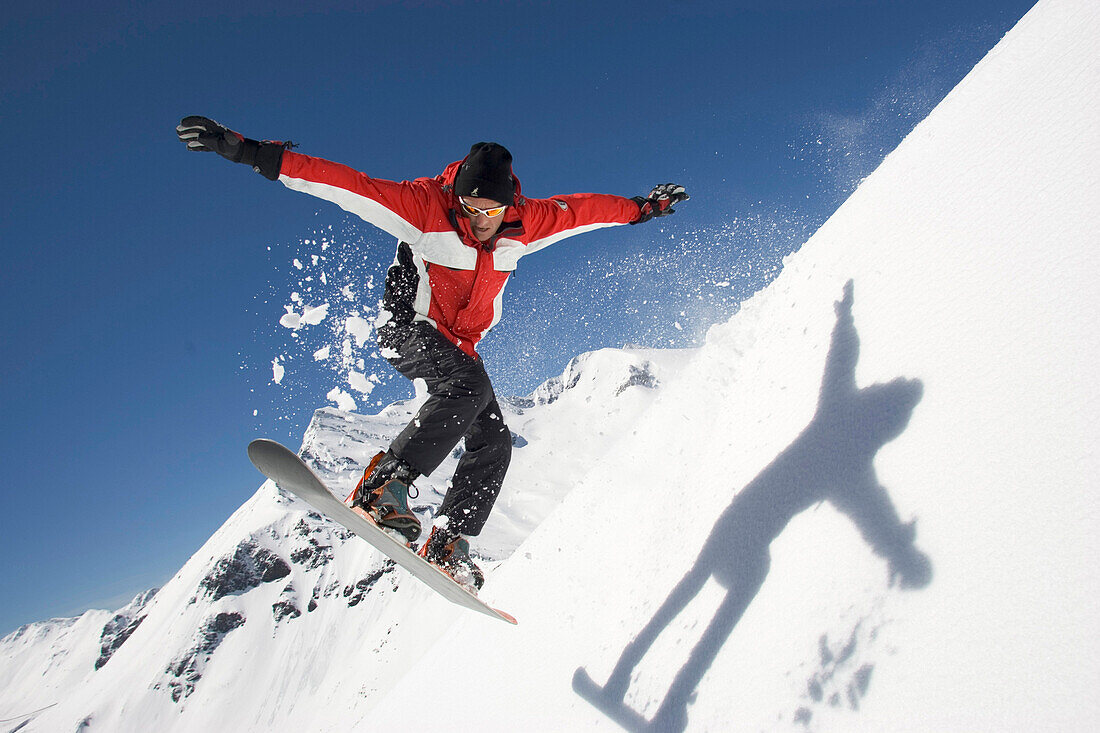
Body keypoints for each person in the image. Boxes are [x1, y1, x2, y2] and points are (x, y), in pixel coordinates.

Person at [177, 116, 689, 591]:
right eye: (470, 208)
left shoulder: (527, 223)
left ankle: (450, 542)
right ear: (458, 197)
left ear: (509, 203)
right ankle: (382, 488)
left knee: (494, 441)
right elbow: (345, 184)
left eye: (490, 210)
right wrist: (248, 152)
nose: (480, 220)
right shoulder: (424, 207)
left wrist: (642, 209)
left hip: (459, 347)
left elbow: (584, 211)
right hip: (406, 327)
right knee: (467, 385)